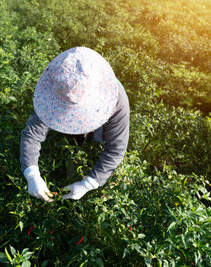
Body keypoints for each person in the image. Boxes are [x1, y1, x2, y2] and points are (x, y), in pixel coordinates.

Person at [20, 47, 129, 202]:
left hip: (99, 138)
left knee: (103, 192)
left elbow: (116, 148)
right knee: (71, 164)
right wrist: (32, 174)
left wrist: (89, 183)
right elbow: (32, 133)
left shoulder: (117, 98)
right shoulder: (58, 84)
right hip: (70, 138)